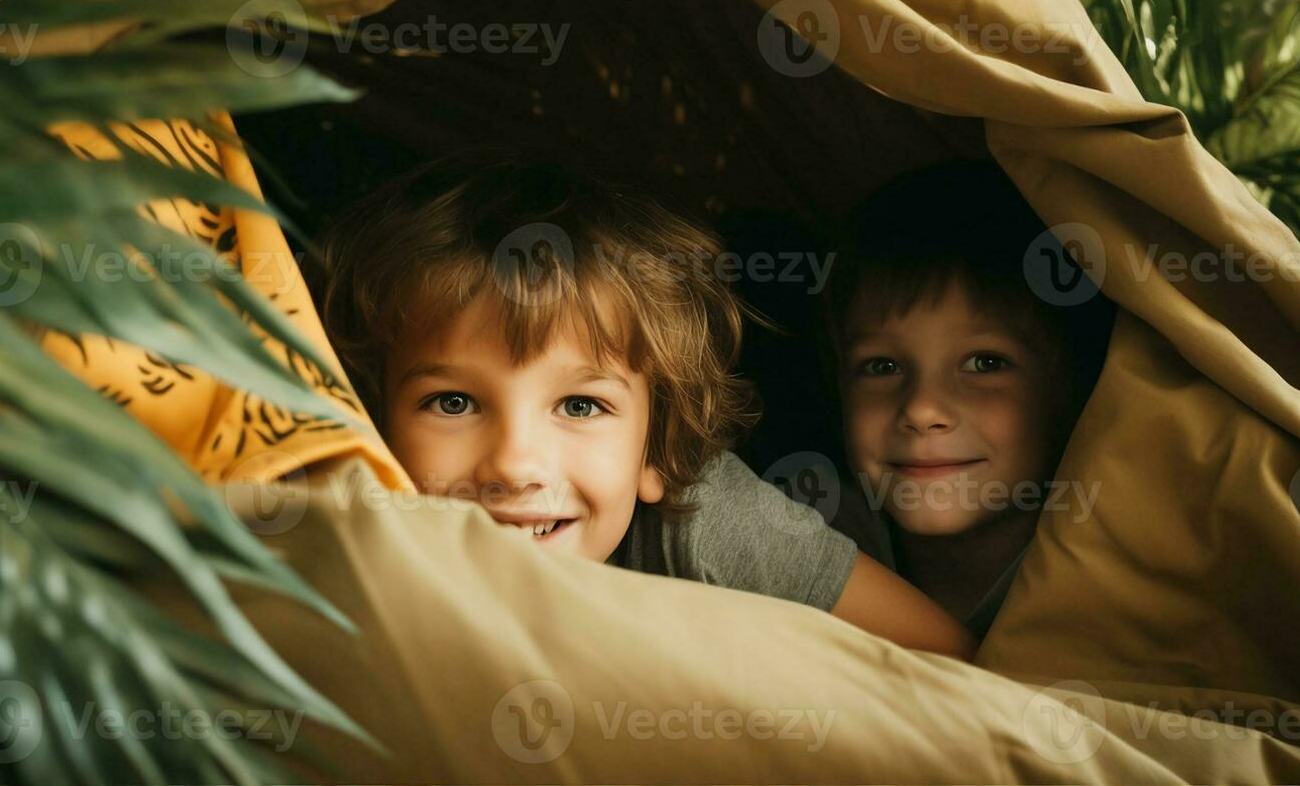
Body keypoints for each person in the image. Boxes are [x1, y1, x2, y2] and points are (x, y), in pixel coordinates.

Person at [318, 154, 976, 658]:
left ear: (654, 449)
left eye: (579, 406)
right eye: (453, 402)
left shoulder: (713, 526)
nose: (514, 464)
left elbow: (950, 662)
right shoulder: (348, 533)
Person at [826, 160, 1115, 640]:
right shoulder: (808, 540)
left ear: (1074, 388)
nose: (921, 410)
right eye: (882, 366)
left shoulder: (1124, 576)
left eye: (985, 363)